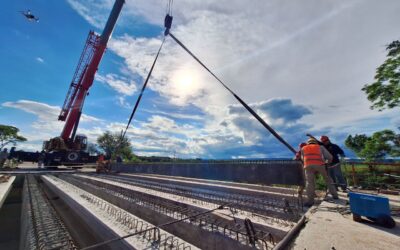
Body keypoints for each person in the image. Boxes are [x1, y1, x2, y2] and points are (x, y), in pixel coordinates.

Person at [301, 138, 338, 206]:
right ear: (315, 142)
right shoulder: (320, 147)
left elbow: (302, 158)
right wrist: (327, 163)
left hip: (308, 166)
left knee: (309, 183)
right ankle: (335, 195)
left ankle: (310, 201)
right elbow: (330, 157)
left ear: (308, 143)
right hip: (320, 165)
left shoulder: (303, 148)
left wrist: (310, 164)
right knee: (328, 180)